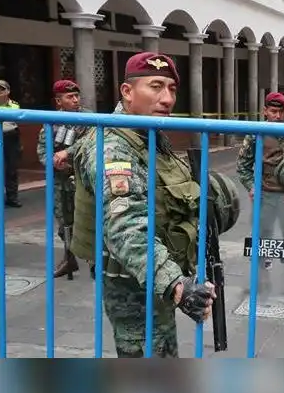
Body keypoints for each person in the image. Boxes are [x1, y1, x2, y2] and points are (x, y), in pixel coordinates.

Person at [67, 52, 239, 357]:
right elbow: (125, 225)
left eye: (172, 89)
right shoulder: (112, 145)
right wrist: (177, 283)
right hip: (131, 286)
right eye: (156, 86)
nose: (167, 98)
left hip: (152, 278)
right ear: (128, 92)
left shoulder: (148, 135)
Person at [236, 92, 284, 300]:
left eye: (281, 112)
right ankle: (258, 281)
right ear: (265, 111)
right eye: (273, 111)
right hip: (265, 194)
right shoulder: (255, 134)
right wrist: (251, 186)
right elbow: (243, 165)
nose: (277, 116)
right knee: (260, 239)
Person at [36, 79, 95, 280]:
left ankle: (94, 261)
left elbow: (93, 144)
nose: (75, 100)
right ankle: (69, 258)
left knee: (90, 220)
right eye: (70, 97)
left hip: (85, 180)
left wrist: (69, 155)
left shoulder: (89, 119)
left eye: (77, 96)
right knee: (64, 223)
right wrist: (53, 162)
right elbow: (43, 151)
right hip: (60, 181)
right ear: (58, 101)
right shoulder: (51, 121)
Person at [0, 80, 22, 208]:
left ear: (8, 91)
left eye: (3, 89)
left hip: (11, 137)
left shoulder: (15, 105)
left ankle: (12, 197)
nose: (0, 92)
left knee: (12, 169)